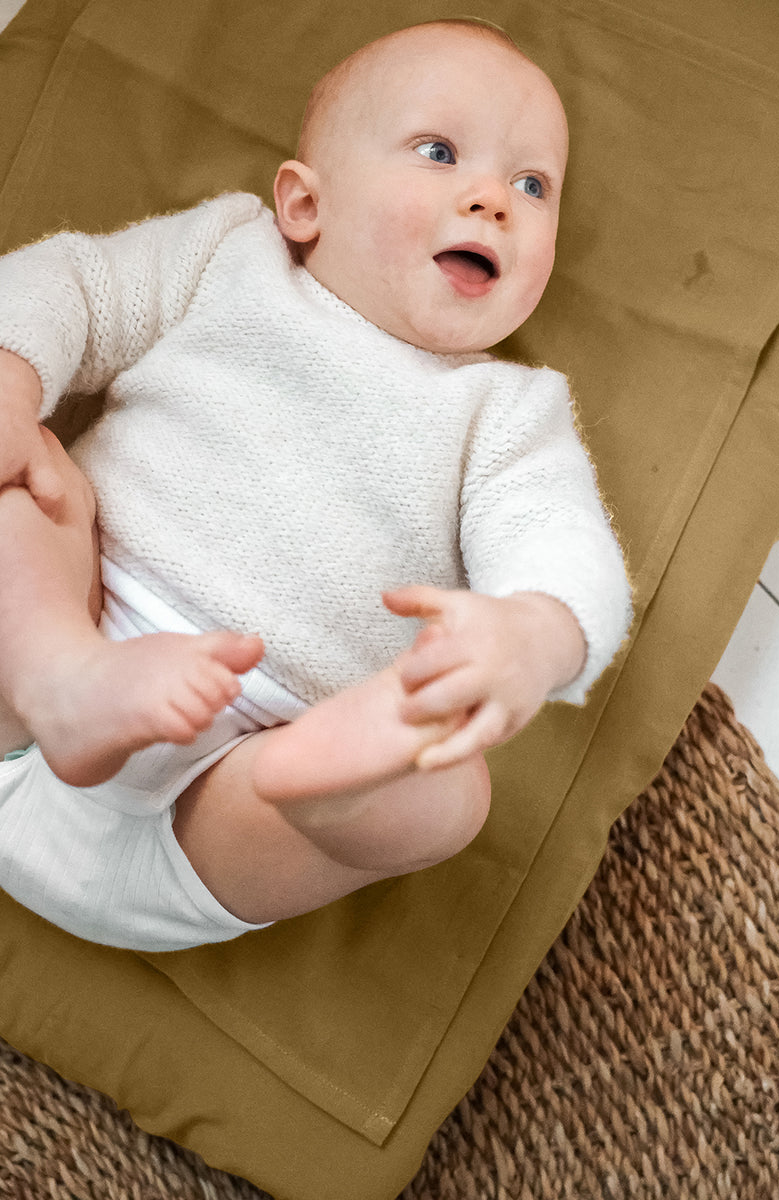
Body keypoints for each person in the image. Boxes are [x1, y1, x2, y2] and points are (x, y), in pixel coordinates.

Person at [0, 18, 632, 951]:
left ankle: (327, 777)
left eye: (532, 185)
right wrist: (12, 383)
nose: (494, 199)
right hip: (51, 663)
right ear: (304, 204)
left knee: (450, 798)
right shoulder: (230, 254)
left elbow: (562, 537)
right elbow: (77, 287)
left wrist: (536, 632)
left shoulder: (505, 411)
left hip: (214, 812)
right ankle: (62, 678)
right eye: (440, 151)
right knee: (32, 479)